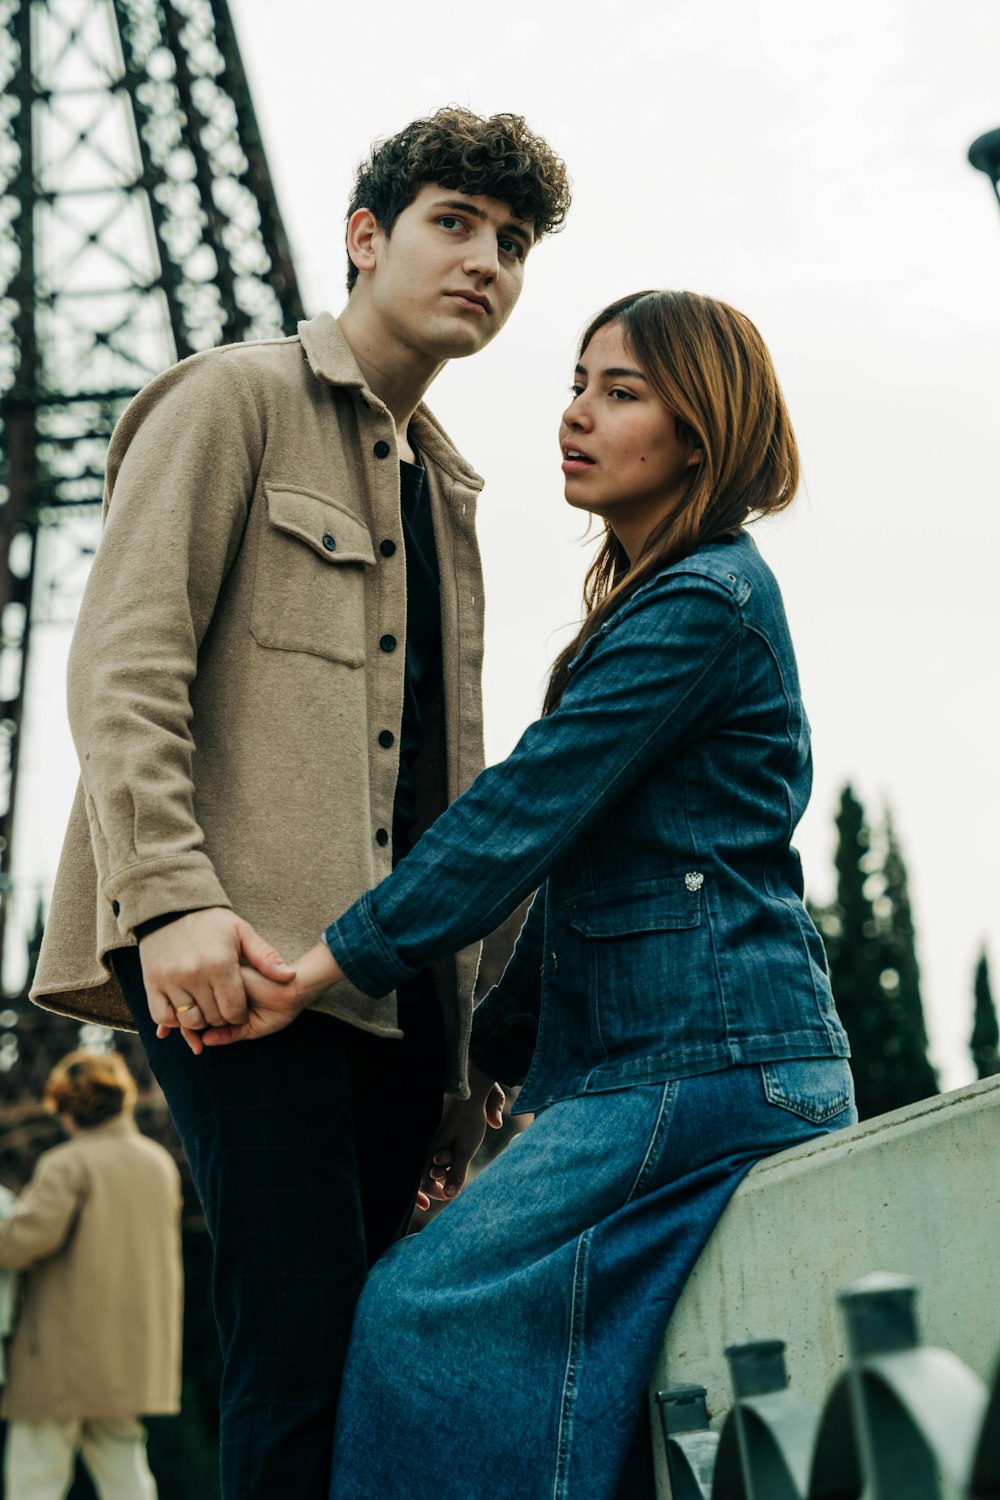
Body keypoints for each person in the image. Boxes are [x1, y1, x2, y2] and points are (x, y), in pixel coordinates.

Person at [188, 289, 859, 1499]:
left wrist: (322, 968)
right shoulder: (662, 603)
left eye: (620, 391)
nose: (574, 415)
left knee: (412, 1311)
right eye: (575, 382)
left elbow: (518, 818)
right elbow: (578, 875)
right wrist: (489, 1063)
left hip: (700, 1070)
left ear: (698, 433)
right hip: (681, 1065)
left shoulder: (702, 604)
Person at [29, 107, 571, 1499]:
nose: (487, 265)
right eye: (456, 225)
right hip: (241, 968)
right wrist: (171, 902)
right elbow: (125, 662)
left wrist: (462, 1060)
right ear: (365, 237)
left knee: (382, 1355)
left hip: (395, 998)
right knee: (299, 1340)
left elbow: (443, 786)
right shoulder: (229, 401)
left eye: (511, 246)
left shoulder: (446, 491)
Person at [0, 1050, 182, 1500]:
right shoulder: (157, 1162)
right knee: (125, 1470)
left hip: (63, 1353)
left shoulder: (68, 1164)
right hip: (131, 1351)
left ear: (68, 1109)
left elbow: (23, 1242)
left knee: (36, 1471)